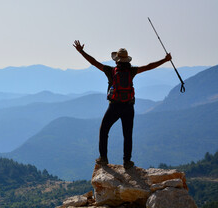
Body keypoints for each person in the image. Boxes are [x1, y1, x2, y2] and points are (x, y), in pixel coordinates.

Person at [73, 40, 172, 169]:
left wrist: (81, 51)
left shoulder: (110, 71)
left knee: (104, 130)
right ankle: (127, 161)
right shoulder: (132, 71)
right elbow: (149, 66)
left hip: (114, 106)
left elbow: (94, 62)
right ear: (127, 60)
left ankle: (103, 158)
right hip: (128, 107)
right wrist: (165, 60)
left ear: (117, 60)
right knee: (127, 134)